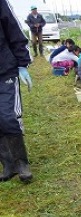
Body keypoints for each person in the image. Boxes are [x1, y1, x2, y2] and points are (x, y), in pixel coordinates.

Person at [0, 0, 33, 183]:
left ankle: (21, 163)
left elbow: (14, 30)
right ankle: (8, 164)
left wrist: (22, 63)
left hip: (4, 70)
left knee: (7, 116)